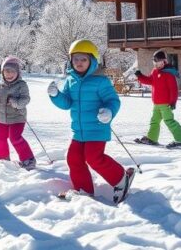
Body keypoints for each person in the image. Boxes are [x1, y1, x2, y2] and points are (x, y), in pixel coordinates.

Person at [48, 39, 135, 204]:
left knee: (93, 157)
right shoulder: (70, 81)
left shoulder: (100, 81)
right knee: (73, 158)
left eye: (83, 59)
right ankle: (83, 190)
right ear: (70, 61)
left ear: (92, 60)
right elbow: (66, 103)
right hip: (78, 131)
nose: (79, 63)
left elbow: (113, 100)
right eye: (76, 59)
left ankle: (120, 179)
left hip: (97, 129)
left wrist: (109, 112)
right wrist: (56, 96)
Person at [134, 50, 181, 148]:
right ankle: (152, 138)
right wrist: (140, 76)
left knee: (169, 121)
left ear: (164, 61)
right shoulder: (155, 72)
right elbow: (150, 81)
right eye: (155, 62)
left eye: (159, 62)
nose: (157, 64)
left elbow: (173, 89)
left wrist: (173, 101)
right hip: (156, 103)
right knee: (154, 120)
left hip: (166, 103)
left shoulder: (168, 73)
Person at [0, 57, 35, 169]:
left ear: (17, 72)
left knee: (15, 138)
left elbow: (26, 99)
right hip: (2, 118)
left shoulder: (21, 85)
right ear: (2, 72)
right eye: (6, 71)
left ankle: (28, 159)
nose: (9, 74)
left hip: (17, 118)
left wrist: (15, 102)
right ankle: (3, 156)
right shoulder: (0, 85)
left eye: (12, 71)